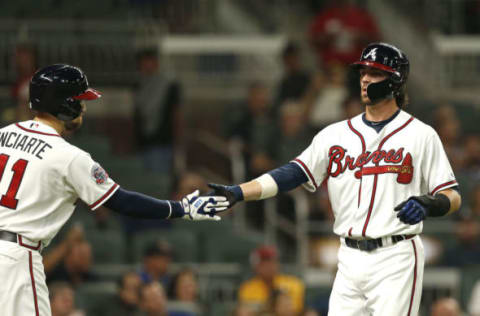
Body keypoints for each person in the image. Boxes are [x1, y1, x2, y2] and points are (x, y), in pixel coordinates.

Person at [210, 43, 462, 316]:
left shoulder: (421, 135)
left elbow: (453, 196)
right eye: (363, 71)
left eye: (375, 73)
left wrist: (429, 204)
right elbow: (293, 173)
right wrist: (240, 191)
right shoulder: (336, 135)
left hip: (396, 255)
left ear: (395, 80)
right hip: (349, 257)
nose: (365, 78)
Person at [0, 64, 228, 316]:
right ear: (64, 104)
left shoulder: (4, 135)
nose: (84, 107)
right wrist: (180, 209)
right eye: (80, 100)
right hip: (16, 259)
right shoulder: (68, 156)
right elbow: (121, 201)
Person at [237, 245, 305, 315]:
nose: (269, 266)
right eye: (264, 264)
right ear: (256, 267)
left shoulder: (294, 284)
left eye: (272, 262)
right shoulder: (247, 289)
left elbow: (296, 311)